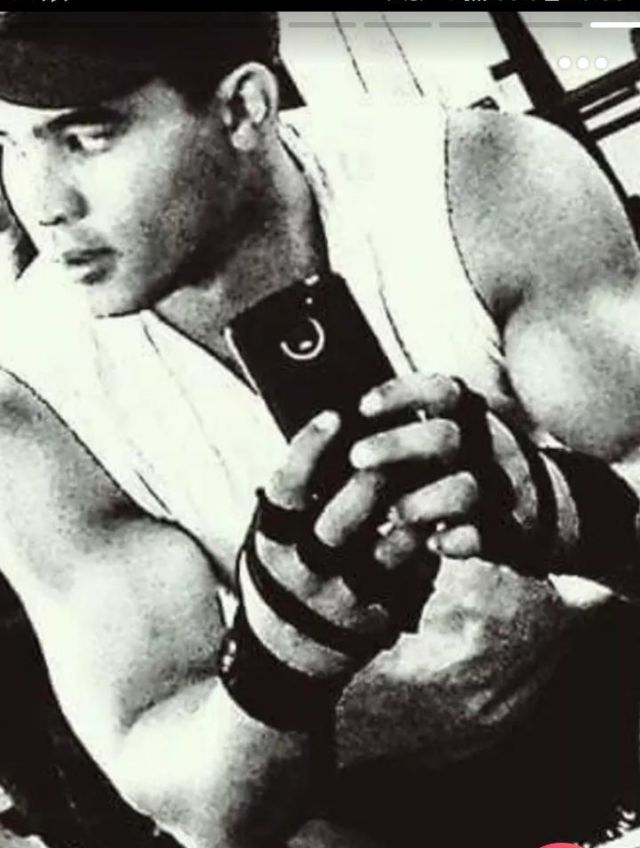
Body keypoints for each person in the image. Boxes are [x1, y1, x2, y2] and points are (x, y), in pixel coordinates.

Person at [0, 10, 639, 848]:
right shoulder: (33, 397)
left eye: (86, 138)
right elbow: (191, 801)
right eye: (9, 144)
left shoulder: (478, 190)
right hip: (362, 808)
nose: (44, 205)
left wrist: (572, 513)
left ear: (244, 107)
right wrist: (282, 669)